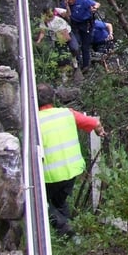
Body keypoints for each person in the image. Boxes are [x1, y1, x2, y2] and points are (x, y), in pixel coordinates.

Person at [36, 82, 104, 235]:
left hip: (49, 175)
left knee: (41, 204)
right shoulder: (67, 113)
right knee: (60, 202)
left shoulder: (34, 121)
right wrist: (100, 132)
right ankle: (71, 236)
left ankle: (63, 228)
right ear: (53, 97)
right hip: (72, 172)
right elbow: (95, 123)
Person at [64, 0, 100, 70]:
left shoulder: (83, 0)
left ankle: (86, 65)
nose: (71, 0)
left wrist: (94, 8)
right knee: (75, 44)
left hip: (86, 25)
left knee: (85, 46)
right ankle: (76, 63)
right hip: (75, 25)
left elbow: (97, 4)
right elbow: (67, 15)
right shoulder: (65, 3)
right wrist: (67, 6)